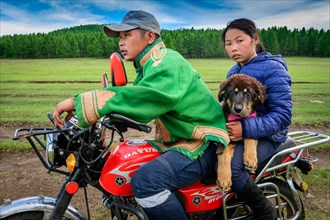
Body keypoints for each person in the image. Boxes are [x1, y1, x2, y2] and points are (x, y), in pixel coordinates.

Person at [53, 10, 229, 220]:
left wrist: (82, 102)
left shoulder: (167, 61)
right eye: (120, 37)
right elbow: (136, 105)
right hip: (182, 140)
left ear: (150, 36)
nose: (121, 42)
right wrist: (103, 118)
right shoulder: (149, 67)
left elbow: (146, 98)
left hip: (203, 143)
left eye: (127, 35)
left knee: (146, 182)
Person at [221, 18, 292, 219]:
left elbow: (282, 115)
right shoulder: (233, 71)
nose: (233, 48)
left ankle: (267, 213)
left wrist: (245, 128)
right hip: (239, 132)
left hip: (269, 136)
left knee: (234, 169)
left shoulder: (273, 68)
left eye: (239, 40)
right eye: (228, 44)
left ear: (254, 39)